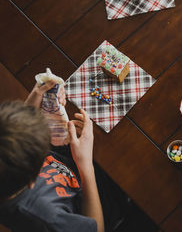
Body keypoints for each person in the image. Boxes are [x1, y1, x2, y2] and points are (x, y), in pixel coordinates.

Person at [0, 81, 104, 232]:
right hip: (97, 195)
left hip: (73, 160)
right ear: (31, 181)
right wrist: (86, 165)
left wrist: (37, 94)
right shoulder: (48, 220)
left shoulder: (12, 171)